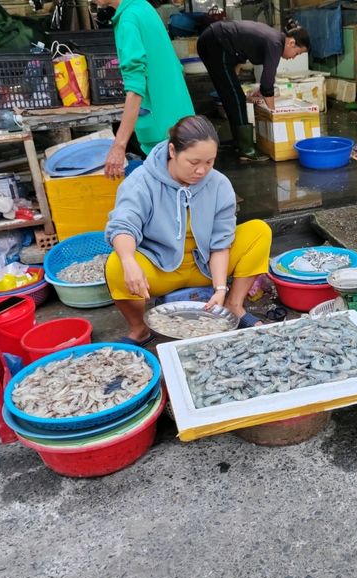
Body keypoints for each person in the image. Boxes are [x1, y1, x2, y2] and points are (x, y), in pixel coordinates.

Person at [104, 115, 272, 346]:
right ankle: (140, 328)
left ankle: (233, 305)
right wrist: (129, 261)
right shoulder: (142, 181)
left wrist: (220, 288)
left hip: (204, 267)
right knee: (116, 264)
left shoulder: (219, 184)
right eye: (194, 163)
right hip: (159, 269)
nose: (202, 171)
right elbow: (124, 225)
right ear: (172, 151)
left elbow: (221, 243)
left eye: (209, 162)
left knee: (259, 231)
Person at [94, 0, 195, 178]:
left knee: (175, 195)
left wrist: (119, 146)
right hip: (181, 117)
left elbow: (135, 88)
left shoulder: (128, 20)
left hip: (162, 132)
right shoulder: (143, 7)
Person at [197, 19, 310, 161]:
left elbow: (243, 42)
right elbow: (267, 81)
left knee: (232, 95)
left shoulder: (275, 39)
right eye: (297, 53)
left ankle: (239, 143)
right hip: (215, 42)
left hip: (215, 40)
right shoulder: (275, 43)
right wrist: (274, 113)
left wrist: (238, 68)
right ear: (291, 43)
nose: (294, 58)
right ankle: (246, 149)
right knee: (235, 97)